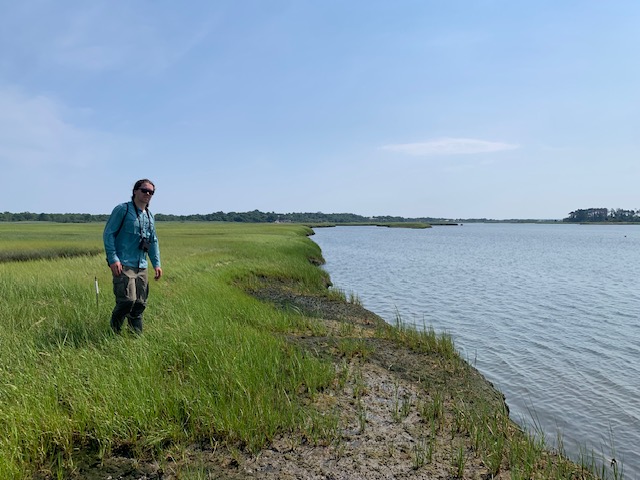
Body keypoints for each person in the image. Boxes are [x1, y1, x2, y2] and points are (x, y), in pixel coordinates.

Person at [103, 179, 163, 334]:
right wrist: (113, 259)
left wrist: (156, 264)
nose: (148, 194)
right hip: (123, 263)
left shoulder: (150, 216)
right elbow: (108, 234)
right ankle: (113, 332)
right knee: (126, 301)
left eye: (151, 192)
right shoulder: (123, 210)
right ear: (135, 191)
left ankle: (135, 338)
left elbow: (153, 241)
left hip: (141, 265)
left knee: (139, 304)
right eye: (144, 190)